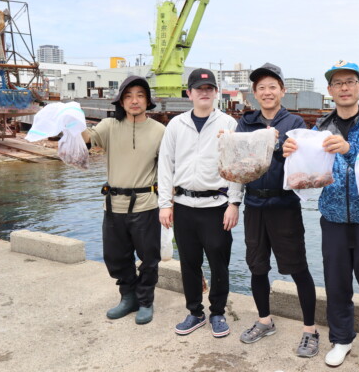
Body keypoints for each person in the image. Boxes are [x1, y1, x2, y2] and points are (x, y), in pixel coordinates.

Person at [283, 60, 359, 372]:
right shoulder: (319, 127)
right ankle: (342, 340)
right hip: (332, 218)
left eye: (350, 81)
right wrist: (292, 154)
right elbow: (309, 175)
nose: (344, 88)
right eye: (337, 83)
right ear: (330, 91)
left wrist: (347, 149)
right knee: (336, 284)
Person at [237, 62, 319, 358]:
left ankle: (310, 330)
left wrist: (288, 155)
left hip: (285, 205)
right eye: (261, 88)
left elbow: (309, 166)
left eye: (273, 86)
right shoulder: (245, 122)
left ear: (282, 91)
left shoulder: (295, 122)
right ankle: (264, 320)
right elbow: (238, 163)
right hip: (254, 204)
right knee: (257, 266)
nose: (267, 92)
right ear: (254, 94)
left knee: (298, 268)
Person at [157, 68, 242, 338]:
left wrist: (234, 203)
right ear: (189, 93)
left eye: (209, 89)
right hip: (182, 204)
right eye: (198, 89)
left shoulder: (228, 124)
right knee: (189, 262)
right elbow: (165, 165)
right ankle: (195, 312)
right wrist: (164, 203)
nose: (204, 93)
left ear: (216, 93)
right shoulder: (175, 124)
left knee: (219, 262)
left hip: (217, 205)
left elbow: (237, 166)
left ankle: (218, 312)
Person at [81, 75, 165, 325]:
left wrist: (170, 204)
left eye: (140, 95)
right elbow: (87, 139)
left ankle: (146, 301)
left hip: (146, 203)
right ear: (121, 101)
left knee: (149, 258)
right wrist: (72, 121)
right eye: (128, 96)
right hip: (113, 204)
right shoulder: (109, 126)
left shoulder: (160, 131)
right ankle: (128, 297)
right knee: (116, 256)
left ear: (148, 100)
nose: (134, 100)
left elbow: (170, 168)